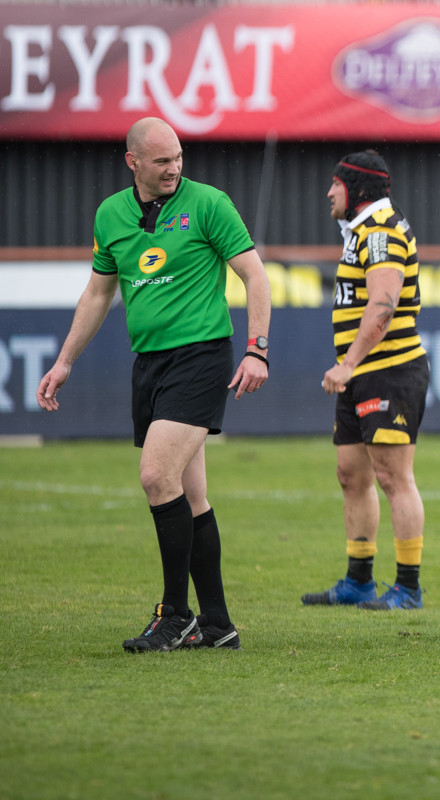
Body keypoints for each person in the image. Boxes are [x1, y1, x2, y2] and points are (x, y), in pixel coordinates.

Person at [36, 116, 272, 652]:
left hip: (202, 357)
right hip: (150, 365)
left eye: (179, 158)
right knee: (191, 497)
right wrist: (65, 361)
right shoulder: (111, 215)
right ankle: (217, 626)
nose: (174, 169)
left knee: (154, 476)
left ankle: (176, 615)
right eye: (162, 161)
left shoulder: (209, 203)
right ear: (133, 161)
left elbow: (255, 275)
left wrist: (257, 349)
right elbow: (98, 294)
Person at [301, 151, 430, 612]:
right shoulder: (363, 232)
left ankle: (409, 587)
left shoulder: (379, 233)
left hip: (387, 371)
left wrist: (348, 363)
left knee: (394, 477)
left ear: (355, 189)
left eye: (335, 184)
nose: (329, 192)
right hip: (364, 374)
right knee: (351, 474)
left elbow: (383, 306)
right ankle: (358, 580)